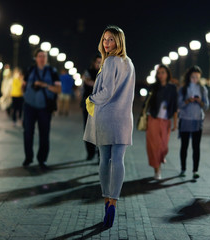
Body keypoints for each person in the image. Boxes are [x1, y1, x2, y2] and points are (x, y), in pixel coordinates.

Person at [83, 25, 135, 228]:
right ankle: (114, 201)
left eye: (111, 39)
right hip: (123, 118)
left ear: (118, 42)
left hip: (106, 116)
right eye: (104, 39)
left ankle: (107, 201)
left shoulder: (111, 61)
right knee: (119, 161)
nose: (106, 43)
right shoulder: (129, 63)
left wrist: (91, 98)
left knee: (104, 159)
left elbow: (106, 91)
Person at [22, 49, 61, 169]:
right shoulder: (30, 70)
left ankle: (42, 159)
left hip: (44, 107)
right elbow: (23, 85)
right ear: (35, 58)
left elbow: (58, 90)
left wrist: (44, 85)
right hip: (29, 106)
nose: (42, 58)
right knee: (28, 132)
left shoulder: (52, 71)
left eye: (44, 56)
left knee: (44, 134)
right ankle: (28, 157)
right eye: (39, 56)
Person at [145, 64, 178, 180]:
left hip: (166, 120)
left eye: (163, 72)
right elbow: (147, 103)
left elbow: (175, 106)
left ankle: (160, 158)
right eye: (159, 73)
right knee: (154, 146)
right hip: (153, 119)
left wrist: (175, 122)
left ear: (168, 74)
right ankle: (157, 170)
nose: (160, 75)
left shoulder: (172, 88)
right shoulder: (154, 87)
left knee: (163, 146)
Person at [178, 66, 209, 179]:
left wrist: (200, 101)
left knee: (196, 146)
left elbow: (206, 106)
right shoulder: (183, 89)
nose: (195, 79)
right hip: (185, 119)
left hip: (197, 120)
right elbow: (179, 104)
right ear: (189, 77)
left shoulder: (203, 89)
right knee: (184, 146)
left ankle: (195, 170)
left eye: (197, 77)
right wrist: (188, 100)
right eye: (193, 77)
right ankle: (183, 169)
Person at [81, 54, 101, 161]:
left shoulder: (103, 72)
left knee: (99, 130)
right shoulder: (88, 71)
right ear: (93, 62)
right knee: (88, 129)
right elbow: (87, 81)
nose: (99, 63)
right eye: (97, 61)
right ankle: (90, 152)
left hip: (100, 105)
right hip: (89, 104)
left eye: (100, 61)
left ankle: (99, 154)